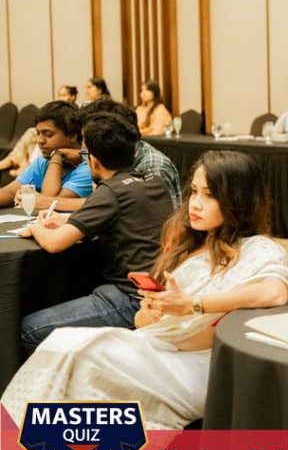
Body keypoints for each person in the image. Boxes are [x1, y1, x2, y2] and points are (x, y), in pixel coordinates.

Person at [1, 150, 288, 450]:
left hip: (202, 367)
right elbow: (142, 319)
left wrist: (192, 304)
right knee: (68, 355)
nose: (195, 204)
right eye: (194, 192)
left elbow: (273, 292)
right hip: (157, 347)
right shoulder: (188, 244)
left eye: (209, 195)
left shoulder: (259, 248)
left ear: (238, 199)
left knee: (81, 353)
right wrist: (153, 311)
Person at [19, 113, 174, 349]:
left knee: (29, 328)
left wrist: (36, 227)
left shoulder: (110, 191)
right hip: (158, 291)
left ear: (93, 160)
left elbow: (53, 243)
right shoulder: (152, 180)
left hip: (132, 298)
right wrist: (66, 220)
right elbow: (124, 217)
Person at [35, 99, 182, 210]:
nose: (83, 146)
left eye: (87, 138)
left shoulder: (152, 165)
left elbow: (160, 223)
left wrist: (49, 202)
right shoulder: (104, 158)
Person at [0, 101, 92, 208]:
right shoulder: (43, 161)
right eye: (38, 133)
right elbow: (10, 192)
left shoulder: (88, 166)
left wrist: (57, 155)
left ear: (72, 136)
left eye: (48, 134)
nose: (40, 141)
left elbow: (48, 202)